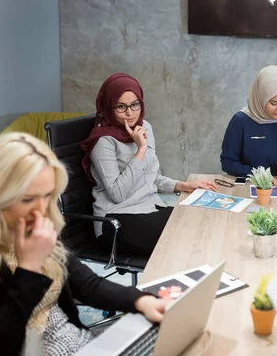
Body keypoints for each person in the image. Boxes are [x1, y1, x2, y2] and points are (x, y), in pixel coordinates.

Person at [0, 132, 170, 356]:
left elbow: (87, 285)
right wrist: (29, 269)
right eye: (27, 199)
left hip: (73, 341)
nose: (41, 209)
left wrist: (140, 300)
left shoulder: (33, 228)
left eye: (47, 195)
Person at [81, 73, 217, 256]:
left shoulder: (144, 127)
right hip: (115, 220)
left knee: (200, 222)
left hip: (149, 208)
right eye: (121, 107)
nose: (130, 113)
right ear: (109, 107)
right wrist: (141, 150)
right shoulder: (103, 141)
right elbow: (117, 194)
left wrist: (183, 185)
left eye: (135, 105)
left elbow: (152, 177)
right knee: (183, 242)